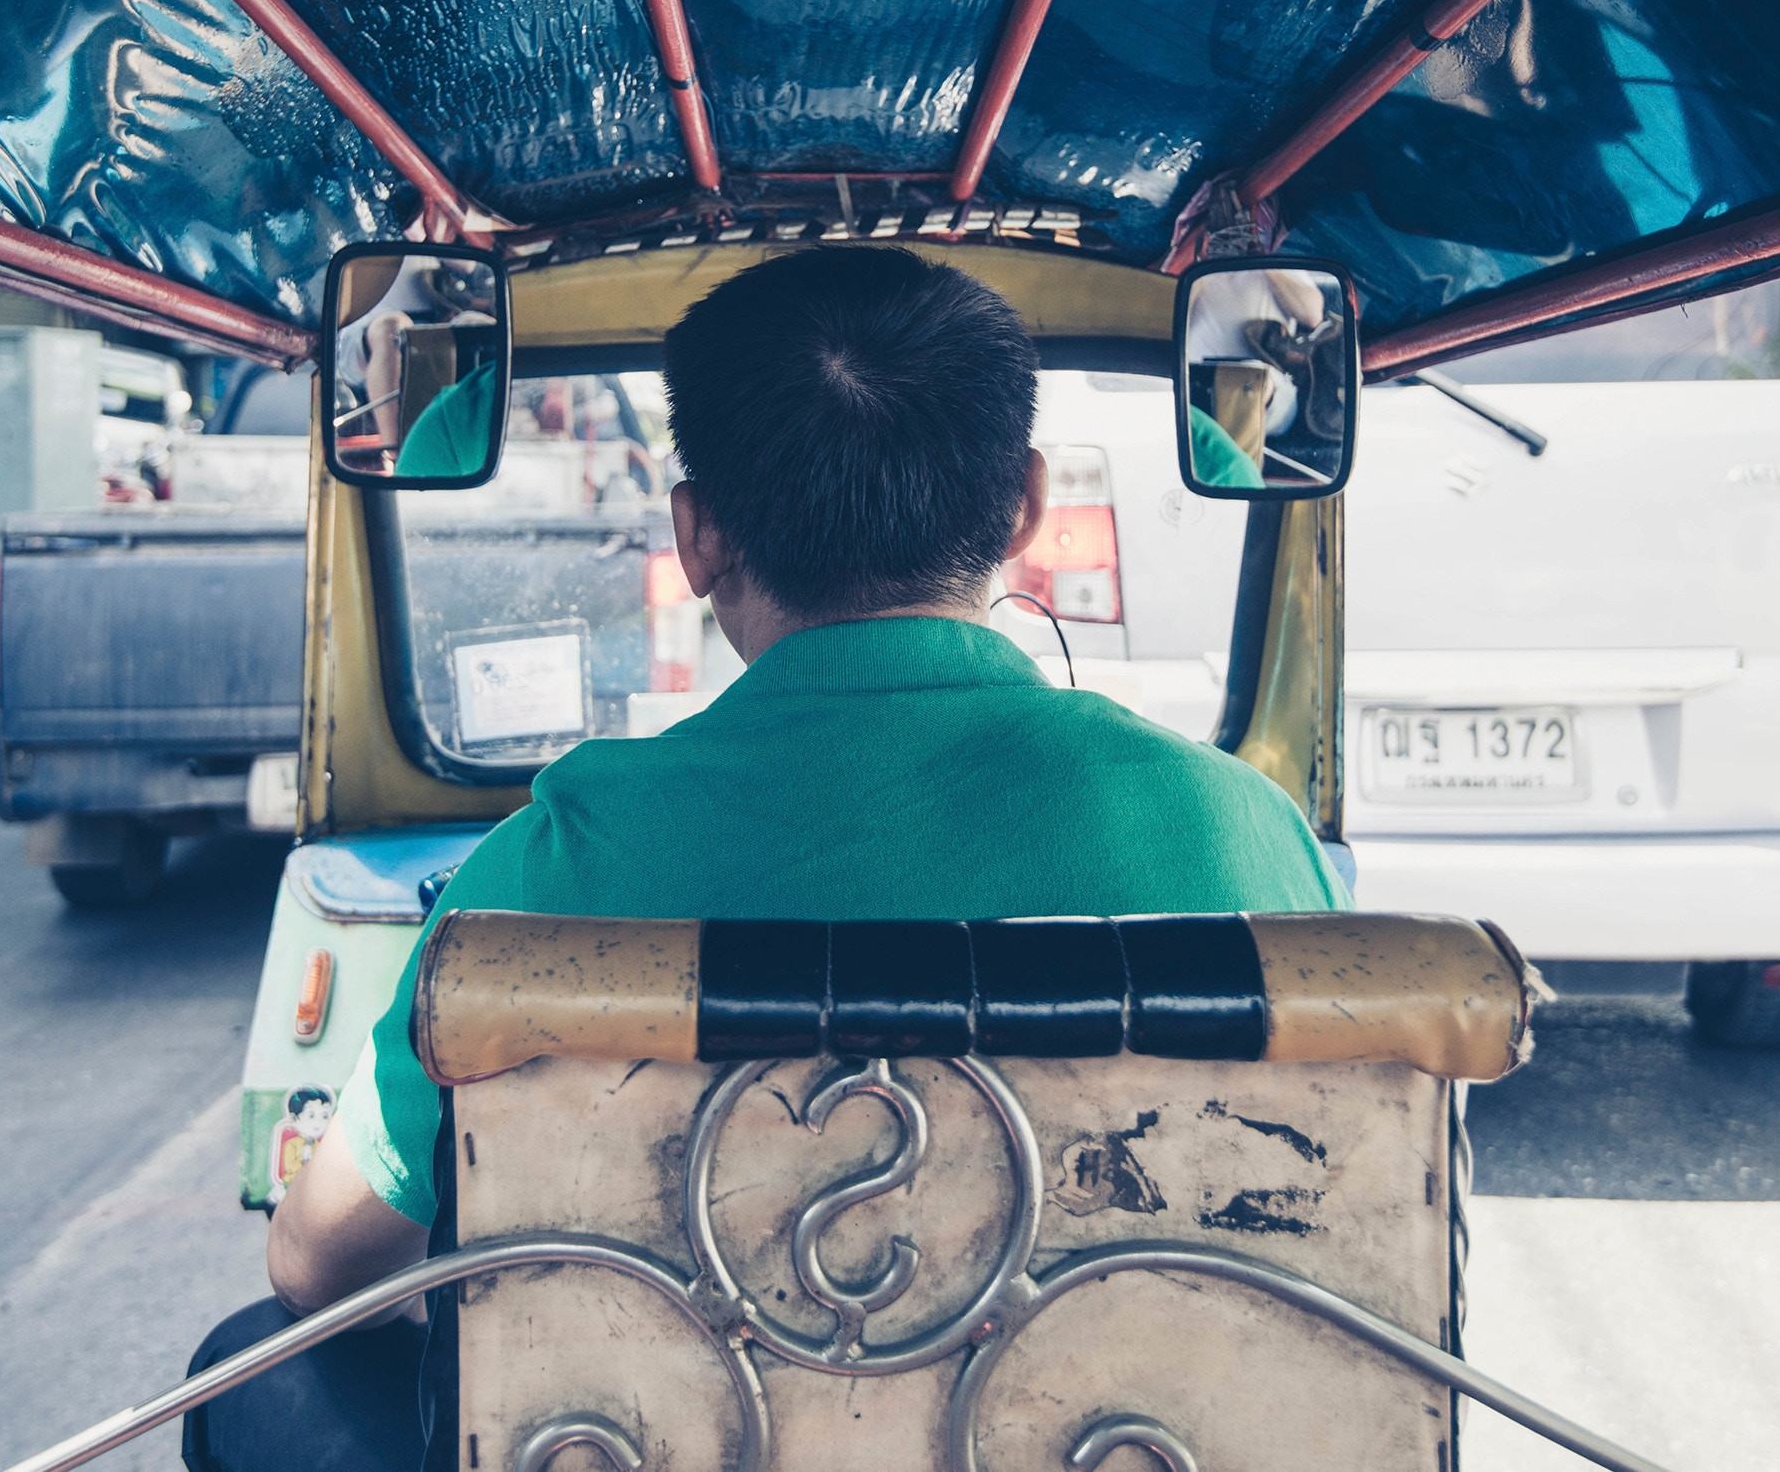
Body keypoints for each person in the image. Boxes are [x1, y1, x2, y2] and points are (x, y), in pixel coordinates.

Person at [183, 247, 1348, 1472]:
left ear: (697, 537)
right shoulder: (1243, 833)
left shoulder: (548, 876)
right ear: (1023, 508)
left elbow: (316, 1264)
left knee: (251, 1360)